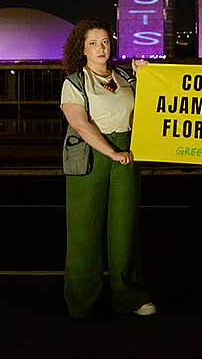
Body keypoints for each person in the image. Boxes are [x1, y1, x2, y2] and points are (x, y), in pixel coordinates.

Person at [60, 17, 155, 318]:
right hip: (92, 156)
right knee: (84, 231)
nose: (100, 48)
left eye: (104, 42)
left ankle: (130, 296)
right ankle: (81, 301)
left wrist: (145, 77)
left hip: (127, 153)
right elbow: (80, 123)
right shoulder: (75, 81)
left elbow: (152, 105)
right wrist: (111, 152)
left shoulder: (125, 77)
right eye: (93, 43)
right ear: (82, 49)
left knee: (125, 228)